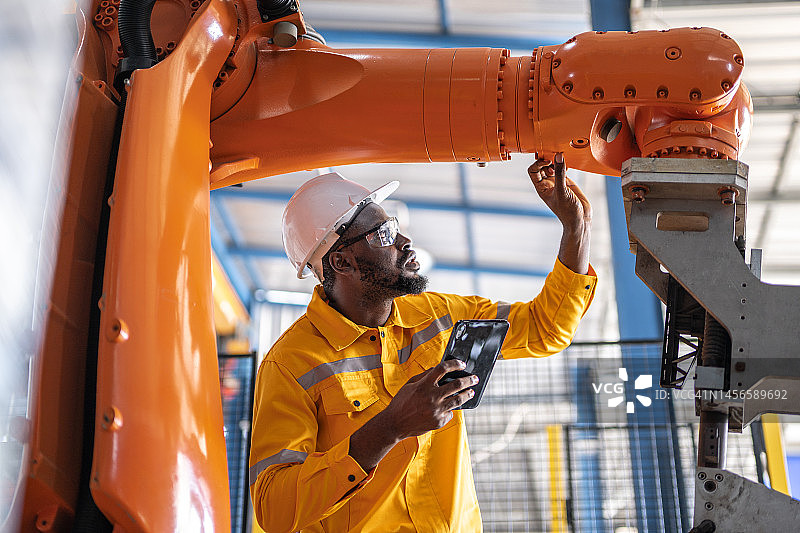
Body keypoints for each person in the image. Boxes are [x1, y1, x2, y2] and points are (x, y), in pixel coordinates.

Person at [249, 153, 596, 533]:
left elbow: (545, 328)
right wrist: (388, 428)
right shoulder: (291, 364)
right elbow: (274, 509)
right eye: (382, 234)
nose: (403, 241)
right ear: (342, 263)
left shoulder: (439, 315)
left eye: (393, 225)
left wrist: (575, 227)